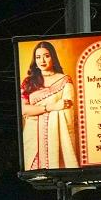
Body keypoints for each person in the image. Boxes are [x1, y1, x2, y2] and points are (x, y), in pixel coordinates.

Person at [20, 39, 79, 171]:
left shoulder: (64, 80)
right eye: (38, 57)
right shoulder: (28, 82)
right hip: (32, 136)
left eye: (46, 56)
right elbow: (24, 109)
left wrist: (37, 111)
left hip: (56, 140)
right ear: (34, 61)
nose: (42, 61)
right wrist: (51, 107)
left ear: (53, 57)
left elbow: (67, 109)